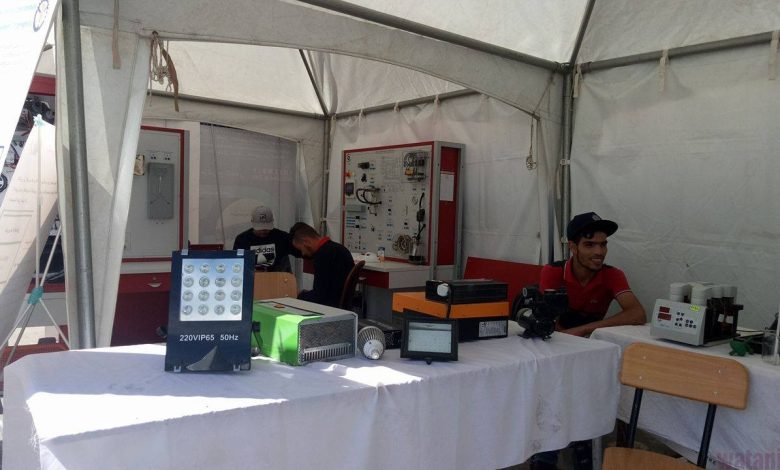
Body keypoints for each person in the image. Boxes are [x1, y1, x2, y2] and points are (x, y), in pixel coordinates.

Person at [530, 211, 646, 470]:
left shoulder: (612, 274)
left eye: (603, 244)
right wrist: (579, 334)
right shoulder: (553, 271)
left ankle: (581, 442)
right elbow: (550, 324)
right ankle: (547, 452)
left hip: (586, 351)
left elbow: (637, 313)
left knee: (596, 384)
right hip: (554, 350)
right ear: (572, 247)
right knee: (555, 389)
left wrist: (584, 330)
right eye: (590, 244)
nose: (599, 252)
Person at [289, 222, 354, 308]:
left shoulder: (323, 256)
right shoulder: (339, 249)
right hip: (342, 304)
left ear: (306, 241)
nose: (303, 253)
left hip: (330, 307)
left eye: (301, 249)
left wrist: (299, 296)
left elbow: (319, 297)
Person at [233, 206, 297, 272]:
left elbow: (299, 250)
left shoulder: (281, 237)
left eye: (266, 227)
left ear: (272, 221)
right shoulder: (242, 240)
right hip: (252, 276)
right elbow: (236, 262)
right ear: (252, 222)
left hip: (278, 276)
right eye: (260, 228)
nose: (263, 230)